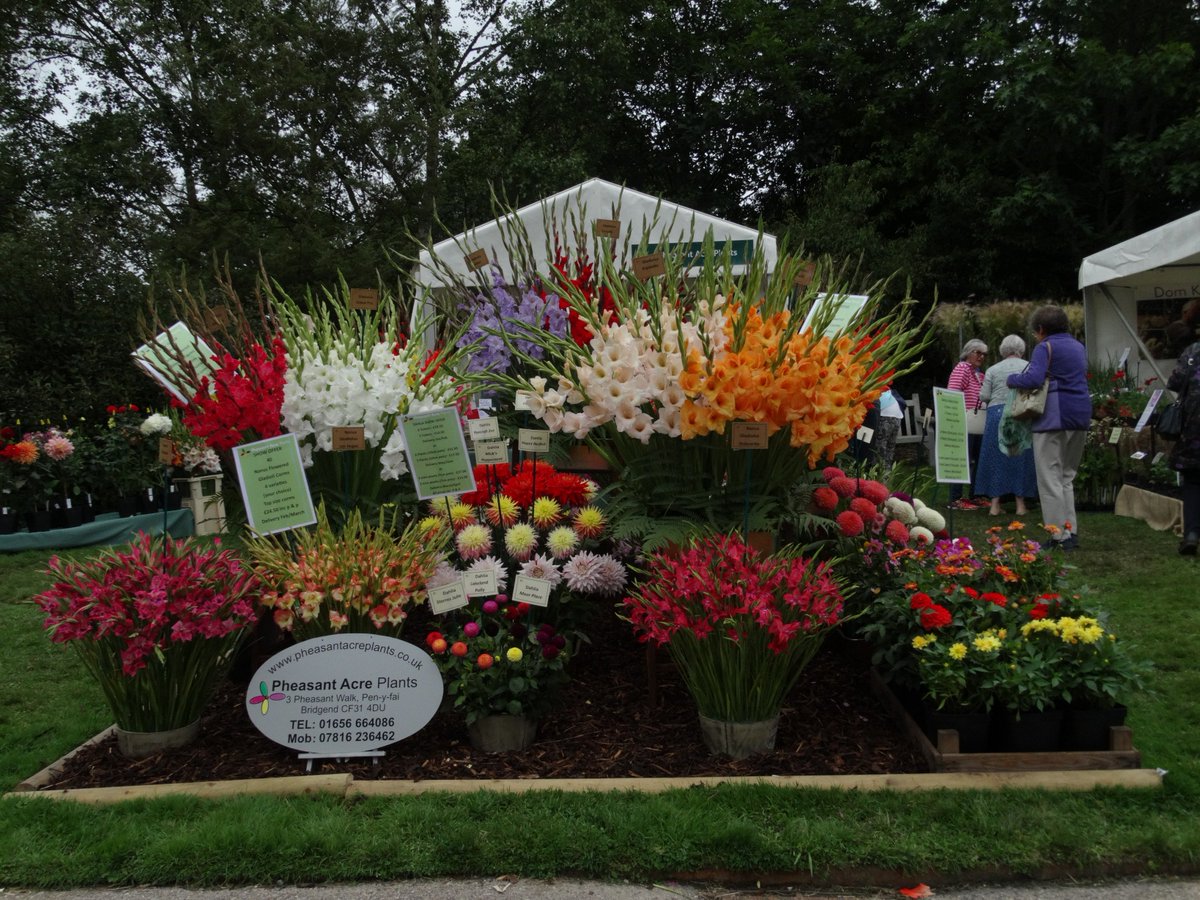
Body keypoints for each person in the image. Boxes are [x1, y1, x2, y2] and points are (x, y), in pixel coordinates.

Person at [1006, 306, 1091, 550]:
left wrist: (1012, 380)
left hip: (1053, 416)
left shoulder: (1045, 347)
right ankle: (1070, 531)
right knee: (1066, 476)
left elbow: (1033, 379)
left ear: (1041, 329)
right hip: (1080, 414)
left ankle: (1057, 536)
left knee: (1049, 477)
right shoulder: (1078, 346)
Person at [975, 335, 1038, 516]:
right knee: (1021, 457)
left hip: (996, 414)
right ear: (1021, 349)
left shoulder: (993, 369)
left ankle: (994, 505)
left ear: (1003, 349)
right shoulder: (1029, 366)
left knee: (996, 458)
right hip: (1020, 413)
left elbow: (984, 396)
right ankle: (1020, 505)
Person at [1166, 340, 1200, 555]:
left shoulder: (1193, 350)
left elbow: (1175, 381)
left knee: (1194, 481)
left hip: (1194, 425)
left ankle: (1191, 534)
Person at [947, 339, 988, 509]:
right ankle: (955, 499)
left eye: (984, 354)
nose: (981, 356)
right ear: (968, 352)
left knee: (977, 459)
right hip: (964, 420)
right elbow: (953, 394)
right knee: (961, 459)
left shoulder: (978, 373)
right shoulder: (962, 368)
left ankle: (975, 495)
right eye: (978, 352)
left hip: (977, 421)